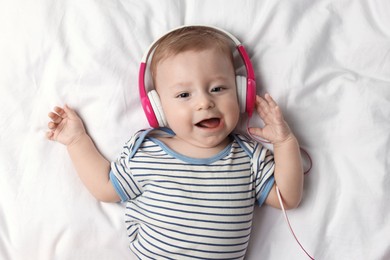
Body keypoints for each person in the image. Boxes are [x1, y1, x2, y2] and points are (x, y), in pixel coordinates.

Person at [47, 26, 303, 259]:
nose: (204, 102)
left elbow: (287, 198)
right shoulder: (146, 152)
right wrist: (76, 140)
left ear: (240, 93)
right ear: (158, 109)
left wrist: (284, 142)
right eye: (183, 94)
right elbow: (105, 188)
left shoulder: (249, 157)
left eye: (217, 88)